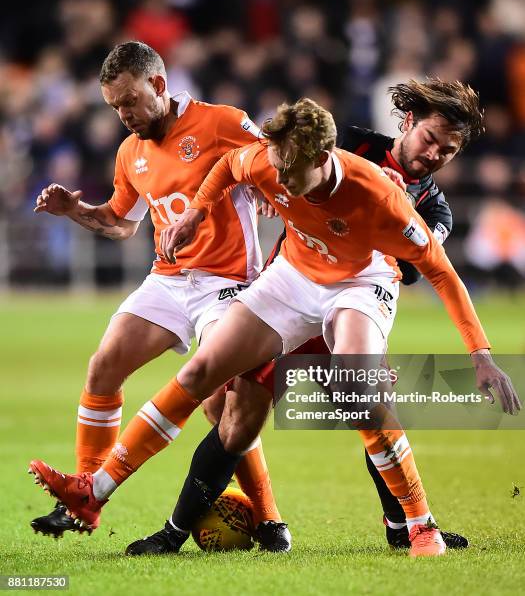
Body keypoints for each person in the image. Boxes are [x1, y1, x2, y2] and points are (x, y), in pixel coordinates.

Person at [29, 96, 521, 557]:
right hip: (293, 273)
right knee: (206, 375)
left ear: (324, 157)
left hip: (359, 282)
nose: (280, 182)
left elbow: (441, 273)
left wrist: (480, 357)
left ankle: (419, 526)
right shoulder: (274, 160)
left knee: (360, 389)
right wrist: (196, 213)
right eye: (277, 167)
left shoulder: (385, 198)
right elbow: (228, 166)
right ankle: (95, 492)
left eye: (292, 172)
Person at [29, 40, 291, 552]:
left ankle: (269, 518)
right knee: (104, 365)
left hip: (229, 282)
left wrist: (263, 182)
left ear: (159, 85)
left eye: (130, 101)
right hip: (169, 280)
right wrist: (74, 212)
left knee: (226, 405)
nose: (124, 115)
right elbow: (120, 224)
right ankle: (85, 496)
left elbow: (273, 161)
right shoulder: (131, 151)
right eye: (114, 107)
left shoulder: (222, 122)